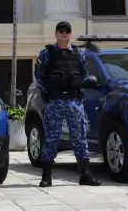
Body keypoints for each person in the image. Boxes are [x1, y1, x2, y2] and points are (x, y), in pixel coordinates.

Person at [34, 20, 101, 187]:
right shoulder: (47, 53)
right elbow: (39, 75)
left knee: (79, 138)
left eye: (67, 31)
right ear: (56, 34)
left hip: (73, 101)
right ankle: (46, 176)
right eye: (61, 31)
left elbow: (85, 75)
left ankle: (85, 175)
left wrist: (77, 86)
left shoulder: (79, 54)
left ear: (70, 34)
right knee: (51, 138)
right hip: (55, 100)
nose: (64, 34)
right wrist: (47, 91)